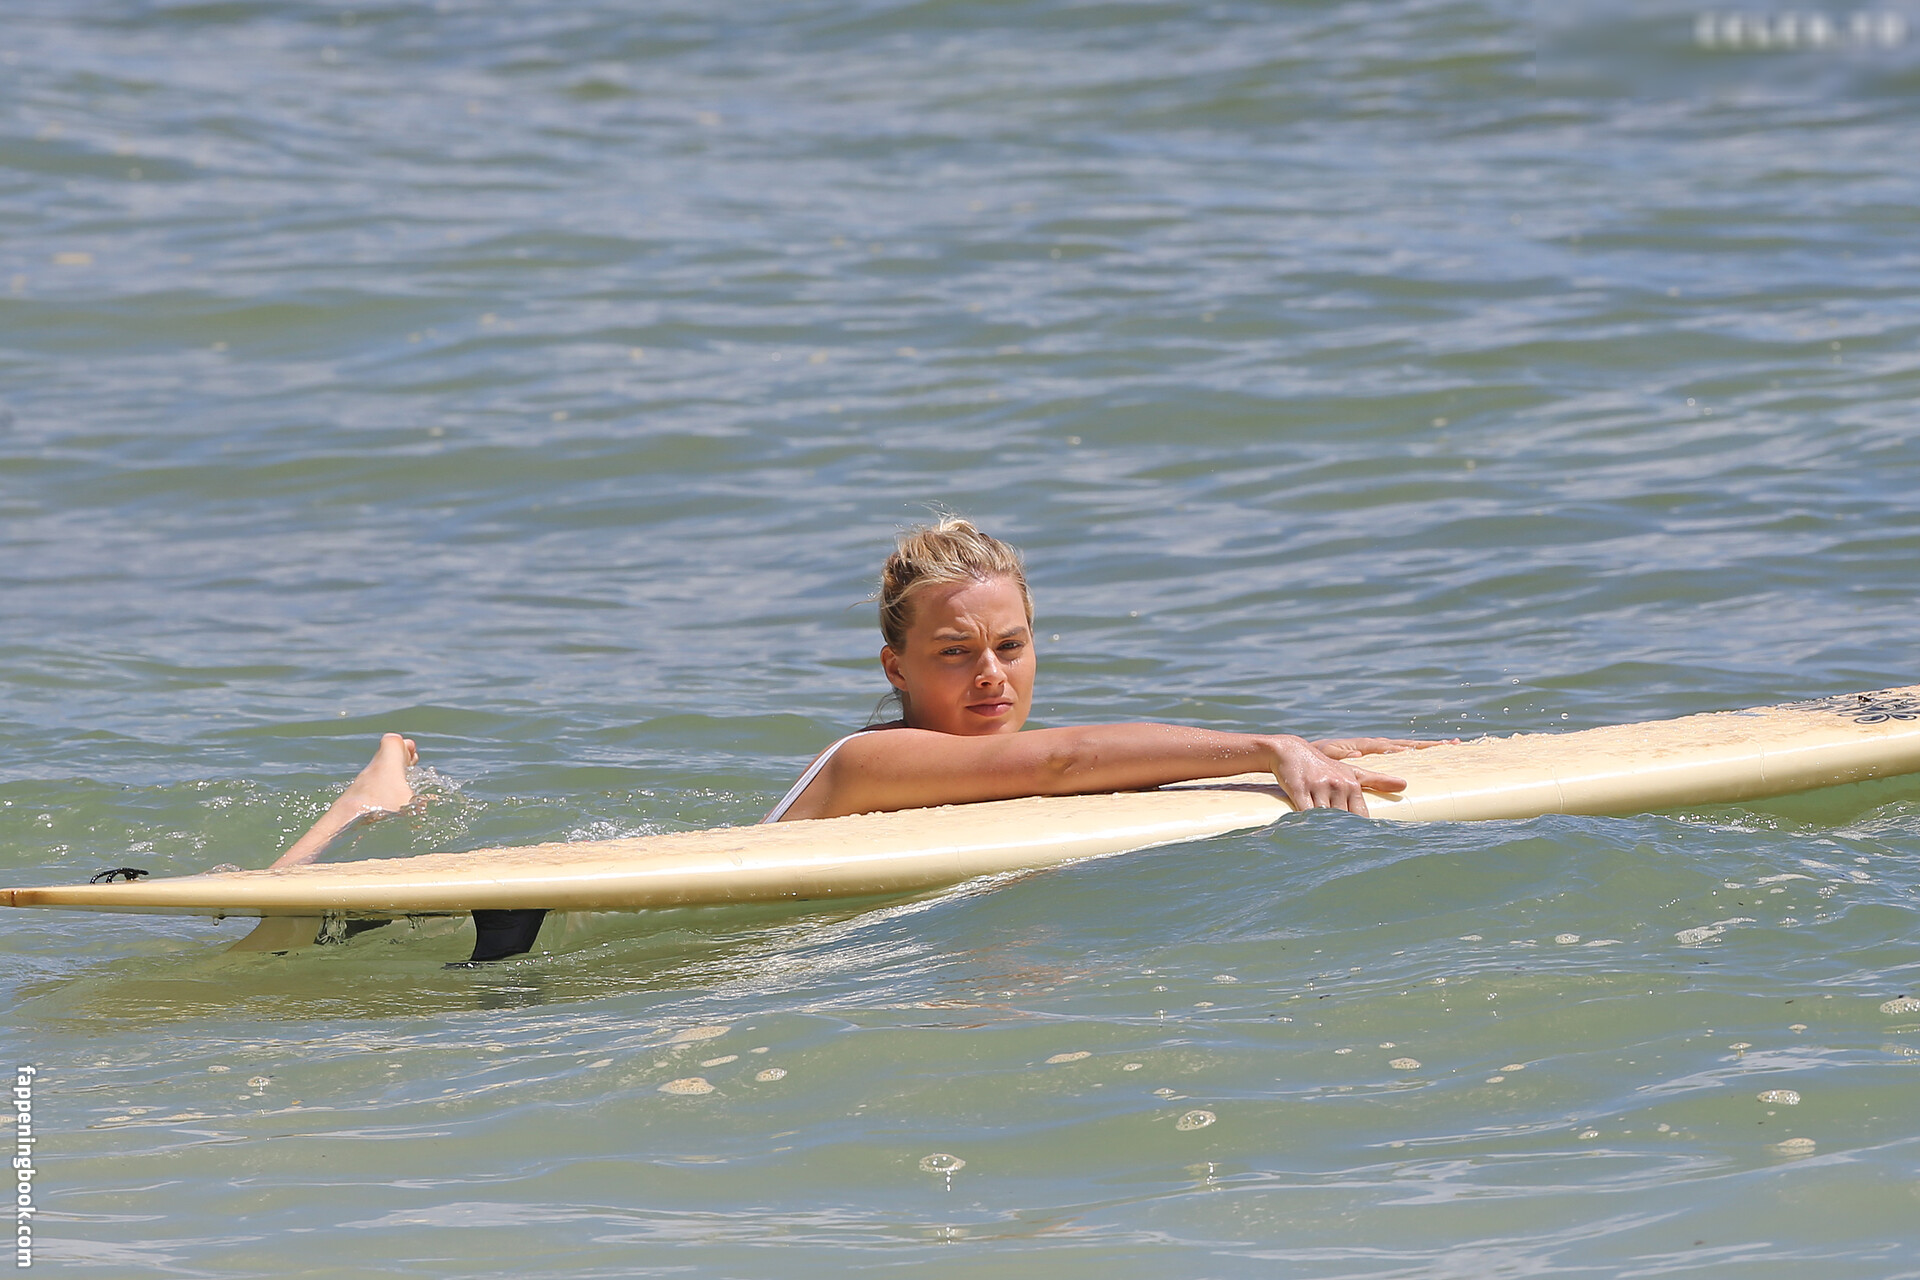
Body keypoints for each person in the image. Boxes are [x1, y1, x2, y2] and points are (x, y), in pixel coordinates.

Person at [270, 517, 1433, 868]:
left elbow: (1095, 761)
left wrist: (1334, 746)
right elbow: (1064, 759)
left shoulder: (971, 760)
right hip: (625, 912)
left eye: (1012, 645)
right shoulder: (870, 760)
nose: (991, 674)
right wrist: (1270, 742)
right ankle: (370, 800)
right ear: (896, 669)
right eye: (955, 653)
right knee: (279, 905)